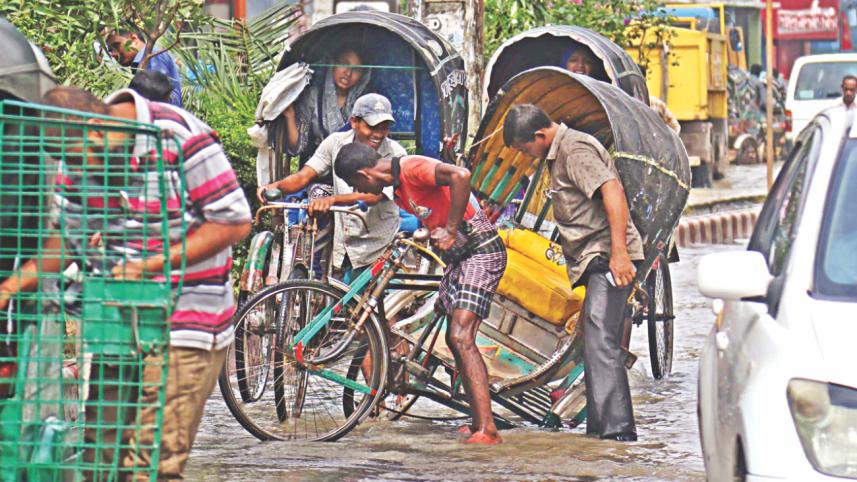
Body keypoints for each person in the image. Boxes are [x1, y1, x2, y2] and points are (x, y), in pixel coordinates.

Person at [0, 86, 251, 478]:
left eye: (73, 157)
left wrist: (151, 264)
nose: (72, 168)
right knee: (102, 454)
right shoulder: (76, 159)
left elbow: (233, 221)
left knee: (152, 461)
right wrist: (10, 288)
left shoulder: (180, 136)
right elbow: (68, 237)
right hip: (116, 321)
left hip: (186, 319)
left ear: (96, 130)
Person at [334, 143, 507, 445]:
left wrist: (450, 229)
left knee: (461, 336)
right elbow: (435, 210)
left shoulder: (411, 167)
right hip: (459, 257)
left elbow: (461, 175)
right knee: (454, 340)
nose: (359, 190)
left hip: (480, 250)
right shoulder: (400, 190)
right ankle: (478, 421)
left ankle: (488, 430)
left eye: (356, 184)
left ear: (364, 174)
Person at [502, 104, 644, 441]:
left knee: (601, 340)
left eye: (525, 148)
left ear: (539, 135)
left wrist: (620, 253)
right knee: (594, 343)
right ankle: (600, 430)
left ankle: (617, 433)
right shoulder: (559, 153)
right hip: (594, 258)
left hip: (606, 255)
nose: (528, 155)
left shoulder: (574, 149)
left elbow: (612, 190)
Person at [257, 93, 406, 276]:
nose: (378, 134)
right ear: (354, 122)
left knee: (376, 293)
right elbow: (304, 176)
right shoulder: (335, 143)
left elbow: (373, 196)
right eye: (372, 127)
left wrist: (333, 200)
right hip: (343, 244)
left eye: (384, 128)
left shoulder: (395, 154)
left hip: (379, 245)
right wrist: (275, 187)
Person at [270, 47, 372, 176]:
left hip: (356, 173)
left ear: (363, 74)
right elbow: (298, 146)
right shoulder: (313, 96)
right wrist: (290, 116)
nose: (348, 73)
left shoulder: (366, 102)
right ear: (333, 63)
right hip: (317, 172)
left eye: (356, 69)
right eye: (343, 63)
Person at [105, 30, 183, 107]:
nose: (113, 54)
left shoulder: (153, 56)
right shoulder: (142, 63)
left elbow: (158, 96)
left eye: (116, 46)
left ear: (134, 39)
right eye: (110, 50)